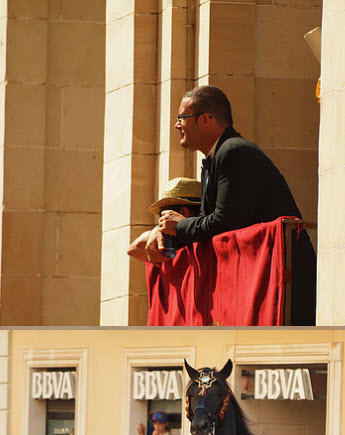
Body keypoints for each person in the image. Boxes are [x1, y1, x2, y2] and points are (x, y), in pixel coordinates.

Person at [148, 85, 316, 324]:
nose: (177, 126)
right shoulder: (216, 156)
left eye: (182, 118)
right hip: (260, 277)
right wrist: (164, 234)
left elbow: (224, 222)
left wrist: (181, 225)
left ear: (205, 119)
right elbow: (210, 222)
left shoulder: (234, 152)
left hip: (281, 278)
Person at [127, 178, 202, 264]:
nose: (161, 221)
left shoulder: (201, 242)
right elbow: (132, 250)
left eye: (163, 216)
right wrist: (154, 232)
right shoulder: (166, 244)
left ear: (183, 212)